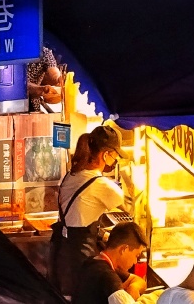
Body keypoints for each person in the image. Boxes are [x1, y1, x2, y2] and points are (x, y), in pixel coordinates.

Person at [53, 125, 128, 297]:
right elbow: (122, 201)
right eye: (115, 155)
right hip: (81, 257)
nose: (115, 160)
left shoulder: (72, 174)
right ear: (106, 155)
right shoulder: (101, 185)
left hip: (62, 251)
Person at [70, 222, 147, 304]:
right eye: (136, 255)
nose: (135, 261)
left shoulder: (94, 262)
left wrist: (133, 287)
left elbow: (139, 281)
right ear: (124, 249)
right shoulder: (107, 277)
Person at [26, 46, 62, 112]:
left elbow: (52, 70)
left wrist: (58, 79)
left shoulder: (44, 52)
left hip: (34, 107)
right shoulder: (9, 52)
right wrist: (42, 89)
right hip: (11, 106)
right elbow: (19, 85)